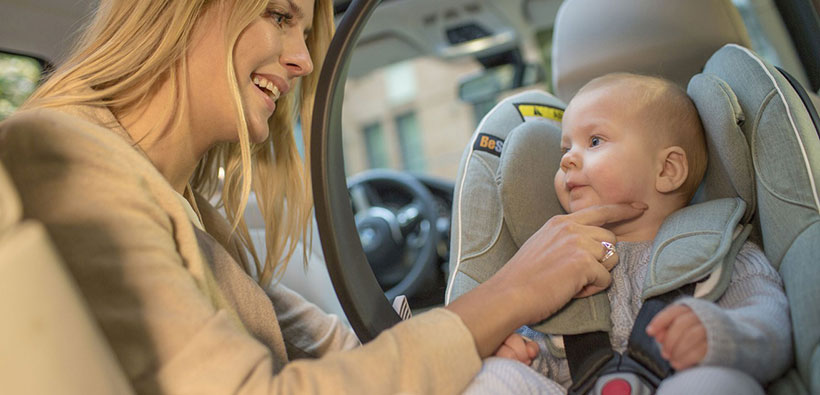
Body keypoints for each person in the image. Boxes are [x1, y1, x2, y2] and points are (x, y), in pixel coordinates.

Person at [0, 1, 650, 393]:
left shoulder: (192, 214)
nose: (304, 60)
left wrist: (474, 338)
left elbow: (352, 361)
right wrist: (510, 293)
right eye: (280, 16)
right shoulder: (61, 154)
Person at [465, 73, 792, 394]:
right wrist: (525, 356)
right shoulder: (556, 264)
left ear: (667, 170)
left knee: (717, 383)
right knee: (495, 375)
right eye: (565, 148)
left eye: (594, 141)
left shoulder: (720, 250)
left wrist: (722, 335)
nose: (566, 159)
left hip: (684, 378)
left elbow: (773, 325)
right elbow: (550, 353)